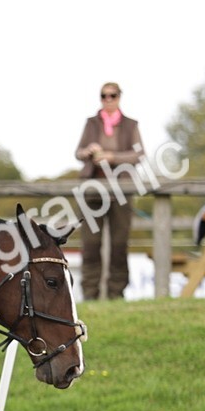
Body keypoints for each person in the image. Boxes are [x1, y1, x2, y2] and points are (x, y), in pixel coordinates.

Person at [74, 82, 145, 301]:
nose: (108, 99)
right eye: (104, 96)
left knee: (119, 245)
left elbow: (139, 154)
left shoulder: (130, 125)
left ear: (119, 97)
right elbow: (78, 152)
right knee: (91, 245)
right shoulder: (91, 123)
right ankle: (90, 295)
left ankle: (116, 294)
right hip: (93, 189)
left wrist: (112, 157)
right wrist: (89, 151)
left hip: (121, 191)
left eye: (112, 95)